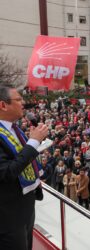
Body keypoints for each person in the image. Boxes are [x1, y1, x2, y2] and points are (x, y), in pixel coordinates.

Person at [0, 84, 48, 250]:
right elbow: (6, 172)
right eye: (18, 99)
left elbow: (19, 157)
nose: (23, 103)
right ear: (3, 105)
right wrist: (33, 142)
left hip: (25, 207)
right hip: (8, 216)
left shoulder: (13, 128)